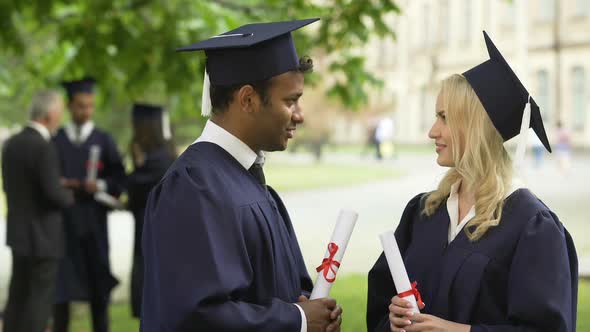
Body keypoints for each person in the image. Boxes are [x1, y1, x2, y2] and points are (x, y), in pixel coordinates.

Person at [367, 31, 577, 332]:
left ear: (475, 126)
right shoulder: (425, 212)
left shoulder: (532, 226)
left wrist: (456, 331)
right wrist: (393, 318)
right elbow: (380, 302)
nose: (431, 131)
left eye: (444, 117)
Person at [141, 19, 343, 331]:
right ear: (247, 99)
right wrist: (299, 320)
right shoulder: (193, 187)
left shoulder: (249, 182)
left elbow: (287, 289)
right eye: (291, 101)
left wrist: (314, 308)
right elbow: (196, 317)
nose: (300, 115)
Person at [52, 77, 126, 332]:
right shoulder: (56, 139)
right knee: (60, 295)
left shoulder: (103, 140)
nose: (86, 111)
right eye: (81, 106)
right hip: (64, 228)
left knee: (98, 293)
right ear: (70, 106)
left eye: (90, 106)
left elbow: (119, 179)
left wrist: (102, 186)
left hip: (94, 226)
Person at [2, 90, 74, 332]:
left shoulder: (11, 143)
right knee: (39, 301)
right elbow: (53, 194)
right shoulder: (43, 146)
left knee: (18, 297)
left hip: (19, 234)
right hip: (44, 237)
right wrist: (69, 195)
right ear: (50, 114)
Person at [126, 103, 176, 318]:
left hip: (152, 234)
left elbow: (134, 190)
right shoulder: (166, 157)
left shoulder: (156, 162)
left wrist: (137, 164)